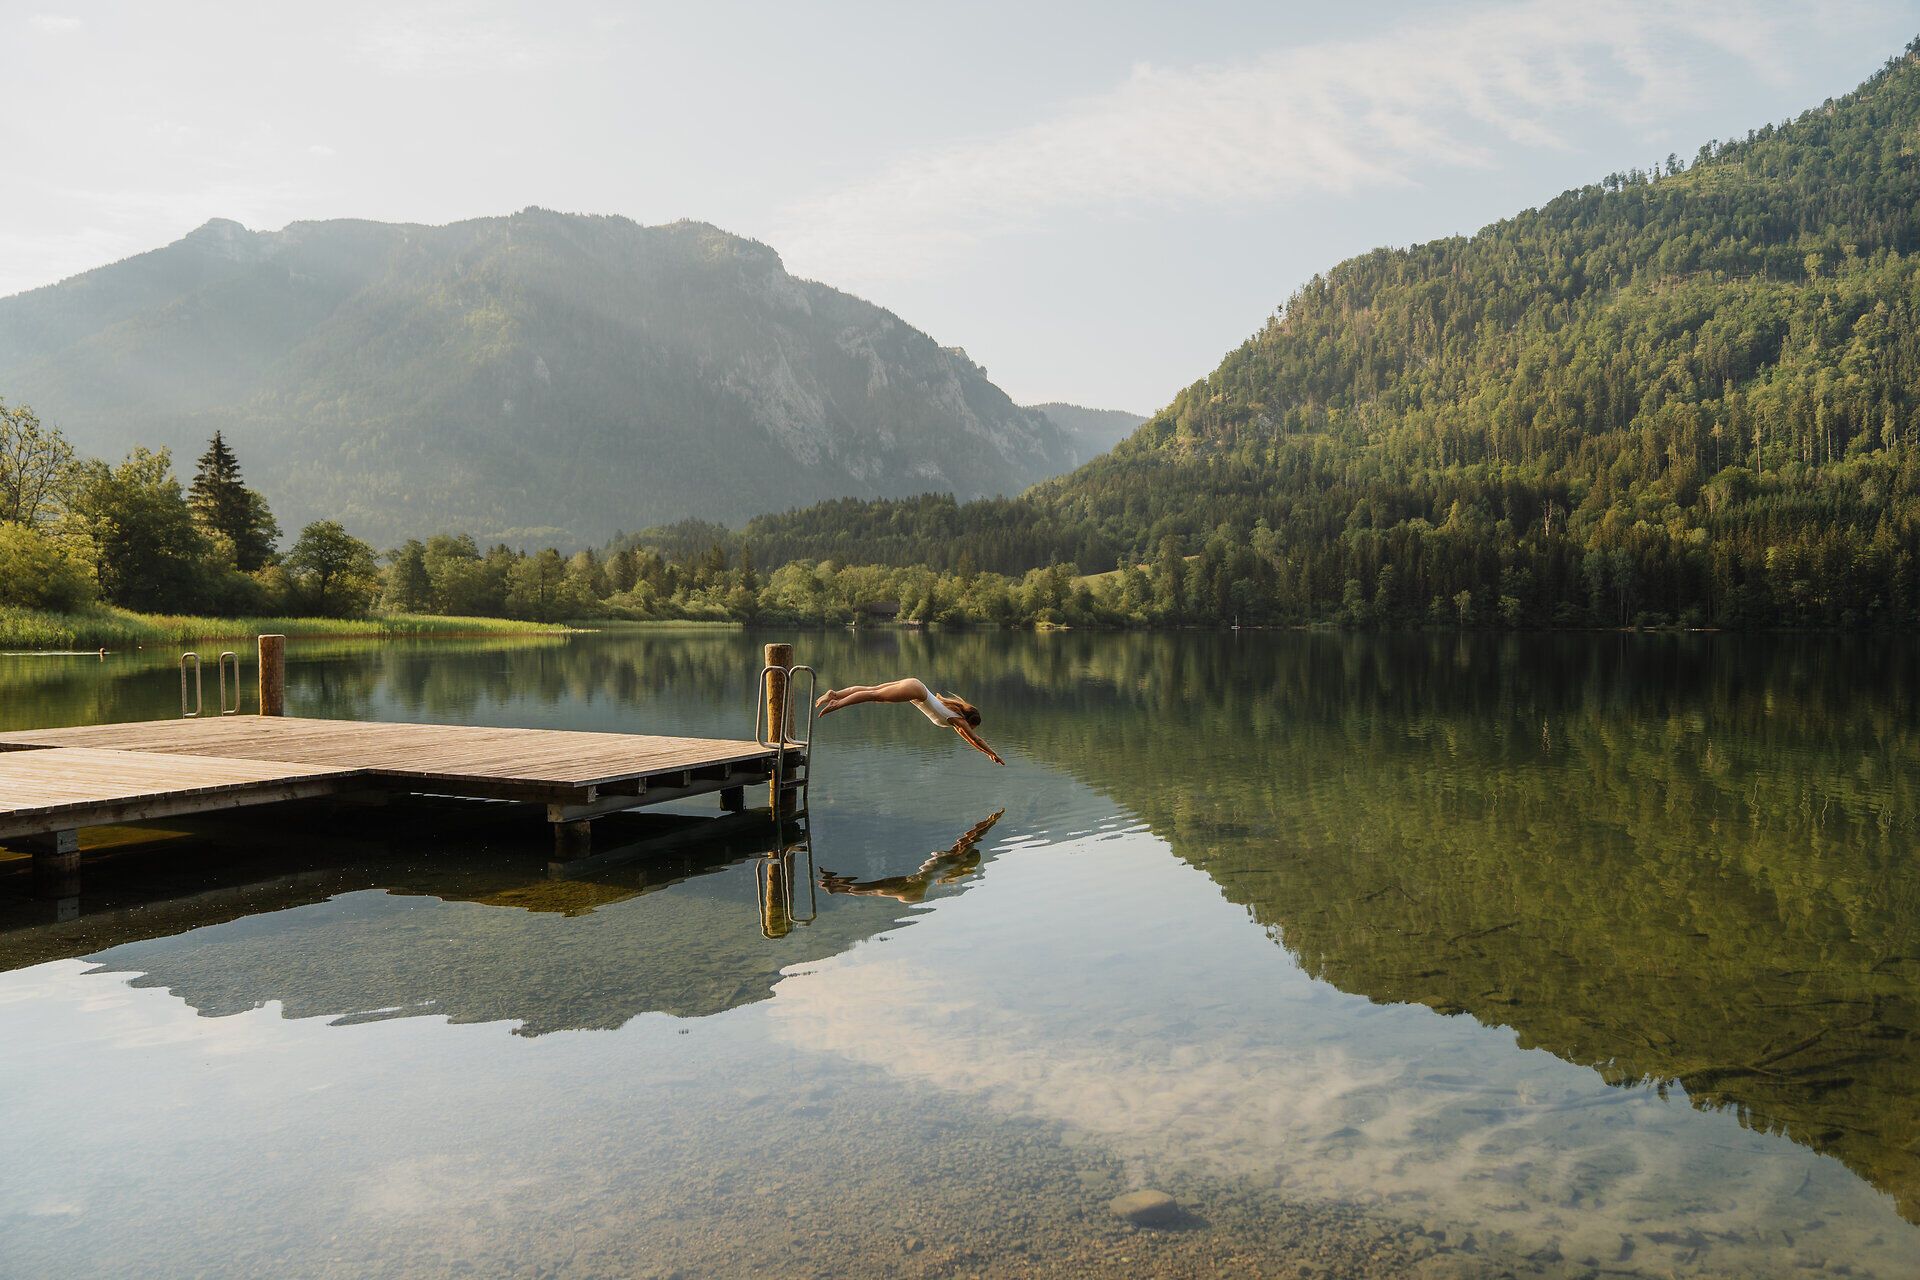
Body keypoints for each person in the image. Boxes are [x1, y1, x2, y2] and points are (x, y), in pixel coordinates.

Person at [813, 677, 1005, 765]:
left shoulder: (955, 718)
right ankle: (837, 703)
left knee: (873, 689)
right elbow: (976, 739)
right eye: (973, 727)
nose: (971, 730)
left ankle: (835, 694)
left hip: (915, 685)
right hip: (916, 691)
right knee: (874, 695)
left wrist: (988, 754)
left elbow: (971, 740)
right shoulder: (958, 720)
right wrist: (992, 752)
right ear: (970, 721)